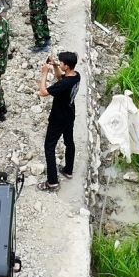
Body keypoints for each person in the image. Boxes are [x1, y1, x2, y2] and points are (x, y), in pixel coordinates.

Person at [37, 52, 80, 192]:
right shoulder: (75, 76)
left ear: (66, 66)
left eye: (61, 63)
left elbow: (43, 92)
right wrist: (55, 65)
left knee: (49, 147)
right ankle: (68, 170)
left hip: (58, 118)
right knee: (69, 142)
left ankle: (52, 182)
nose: (59, 64)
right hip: (69, 114)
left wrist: (44, 73)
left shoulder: (64, 84)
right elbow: (60, 77)